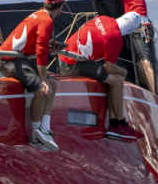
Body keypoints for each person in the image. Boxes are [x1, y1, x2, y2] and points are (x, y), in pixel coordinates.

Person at [59, 12, 144, 141]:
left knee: (113, 79)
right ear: (131, 29)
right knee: (117, 81)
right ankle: (118, 124)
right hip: (72, 65)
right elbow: (108, 67)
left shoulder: (104, 18)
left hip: (66, 58)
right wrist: (124, 72)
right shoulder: (116, 37)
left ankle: (114, 122)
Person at [0, 0, 65, 151]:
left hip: (19, 59)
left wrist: (51, 51)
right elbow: (41, 52)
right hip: (8, 61)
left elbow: (37, 47)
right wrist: (41, 80)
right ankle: (36, 135)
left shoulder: (39, 15)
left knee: (53, 85)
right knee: (41, 88)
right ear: (61, 7)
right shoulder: (46, 21)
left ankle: (45, 128)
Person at [111, 0, 157, 95]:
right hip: (144, 25)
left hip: (138, 25)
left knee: (144, 62)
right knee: (140, 64)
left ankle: (155, 97)